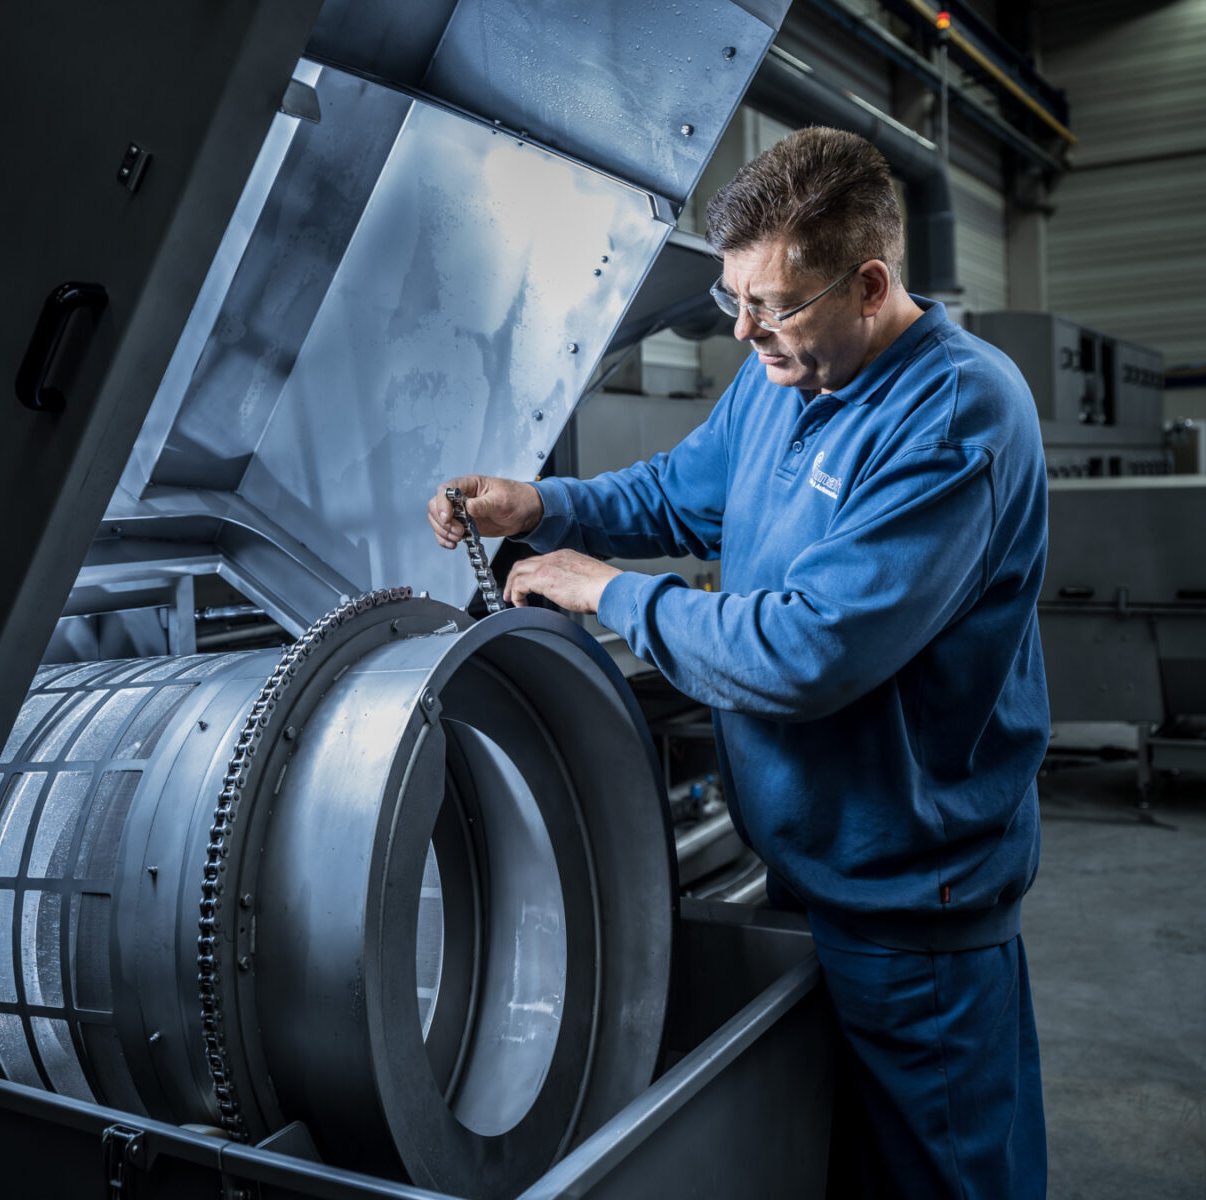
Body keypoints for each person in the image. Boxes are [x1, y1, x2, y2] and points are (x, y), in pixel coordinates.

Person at [427, 126, 1048, 1199]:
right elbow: (680, 490)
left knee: (950, 1177)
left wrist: (606, 590)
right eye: (733, 302)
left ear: (869, 282)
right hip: (810, 878)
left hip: (916, 913)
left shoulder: (955, 418)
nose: (746, 331)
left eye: (775, 303)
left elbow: (807, 654)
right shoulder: (783, 375)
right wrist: (546, 506)